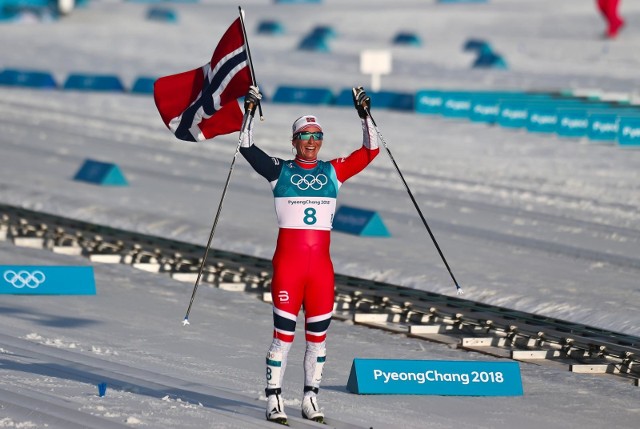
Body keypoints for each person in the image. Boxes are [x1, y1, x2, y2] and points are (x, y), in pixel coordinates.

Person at [240, 85, 379, 425]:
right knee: (282, 340)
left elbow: (371, 149)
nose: (312, 142)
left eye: (317, 136)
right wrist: (249, 111)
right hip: (288, 269)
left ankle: (310, 399)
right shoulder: (279, 171)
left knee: (318, 342)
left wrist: (365, 115)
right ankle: (274, 400)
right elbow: (245, 146)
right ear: (294, 141)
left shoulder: (334, 172)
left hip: (320, 272)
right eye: (305, 136)